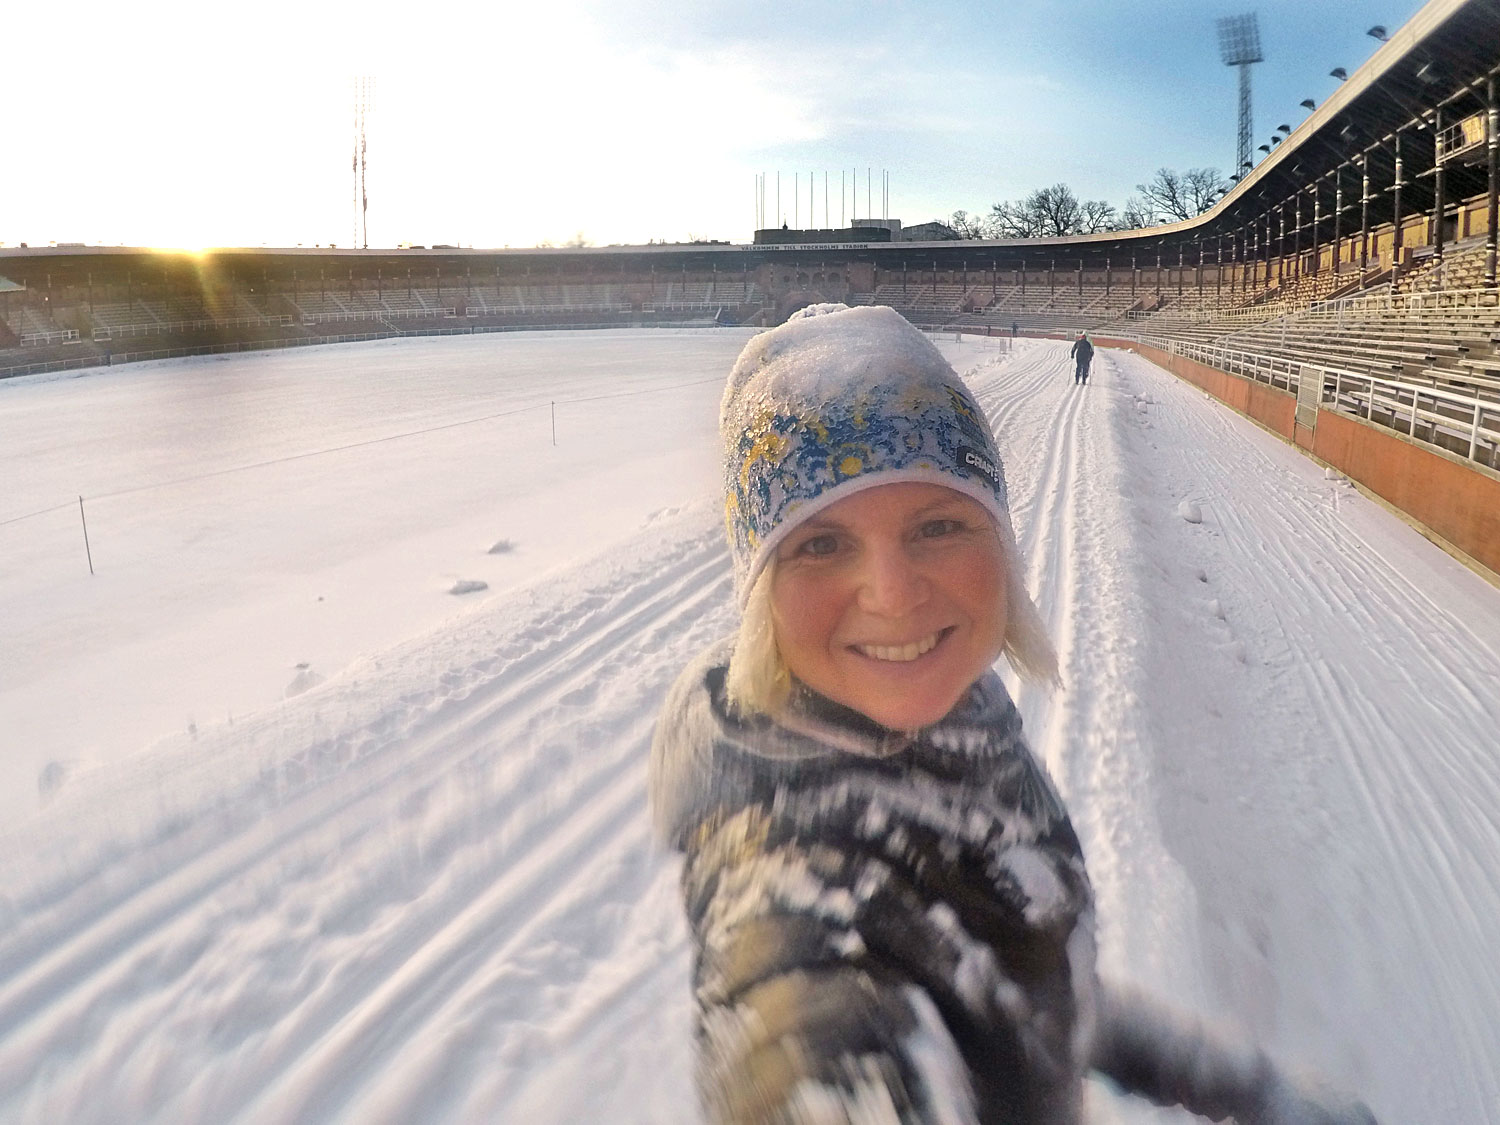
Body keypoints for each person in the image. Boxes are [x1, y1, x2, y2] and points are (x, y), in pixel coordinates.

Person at [650, 304, 1375, 1124]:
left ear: (999, 543)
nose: (892, 593)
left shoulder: (960, 718)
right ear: (760, 594)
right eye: (819, 543)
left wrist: (1246, 1087)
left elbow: (1028, 994)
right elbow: (803, 1036)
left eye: (937, 524)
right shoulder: (800, 924)